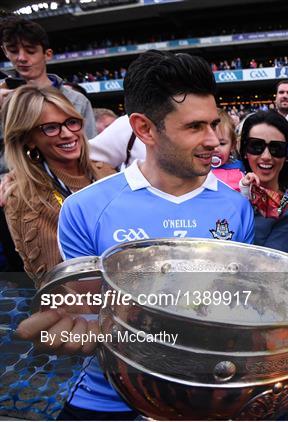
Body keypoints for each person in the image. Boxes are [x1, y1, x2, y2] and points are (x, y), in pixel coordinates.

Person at [16, 50, 254, 420]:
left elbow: (235, 303)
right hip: (108, 400)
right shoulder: (85, 208)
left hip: (203, 397)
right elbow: (87, 314)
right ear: (144, 129)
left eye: (213, 123)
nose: (213, 140)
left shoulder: (236, 208)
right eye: (194, 127)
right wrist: (71, 329)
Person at [1, 85, 115, 285]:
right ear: (29, 139)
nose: (68, 134)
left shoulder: (106, 171)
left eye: (72, 122)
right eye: (51, 128)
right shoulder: (24, 196)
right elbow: (56, 284)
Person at [0, 16, 97, 139]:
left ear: (47, 54)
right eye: (13, 51)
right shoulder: (3, 95)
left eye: (30, 51)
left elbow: (90, 149)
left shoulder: (77, 101)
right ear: (5, 51)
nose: (21, 58)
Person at [239, 110, 288, 253]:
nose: (266, 156)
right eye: (256, 146)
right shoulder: (225, 193)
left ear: (287, 155)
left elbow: (267, 264)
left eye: (277, 148)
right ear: (245, 151)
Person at [210, 108, 244, 191]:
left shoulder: (241, 170)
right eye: (210, 142)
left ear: (232, 145)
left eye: (222, 143)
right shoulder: (195, 172)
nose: (215, 149)